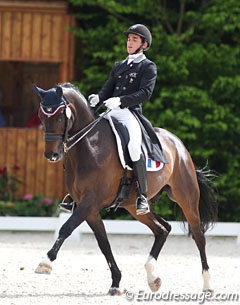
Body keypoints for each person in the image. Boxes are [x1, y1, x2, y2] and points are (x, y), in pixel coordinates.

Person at [61, 24, 166, 215]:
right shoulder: (119, 66)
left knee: (134, 147)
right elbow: (107, 88)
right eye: (129, 39)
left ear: (144, 44)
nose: (130, 42)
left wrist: (121, 100)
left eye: (134, 39)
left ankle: (142, 195)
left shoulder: (148, 66)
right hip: (110, 111)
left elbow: (145, 93)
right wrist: (98, 98)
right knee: (86, 138)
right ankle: (76, 195)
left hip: (129, 113)